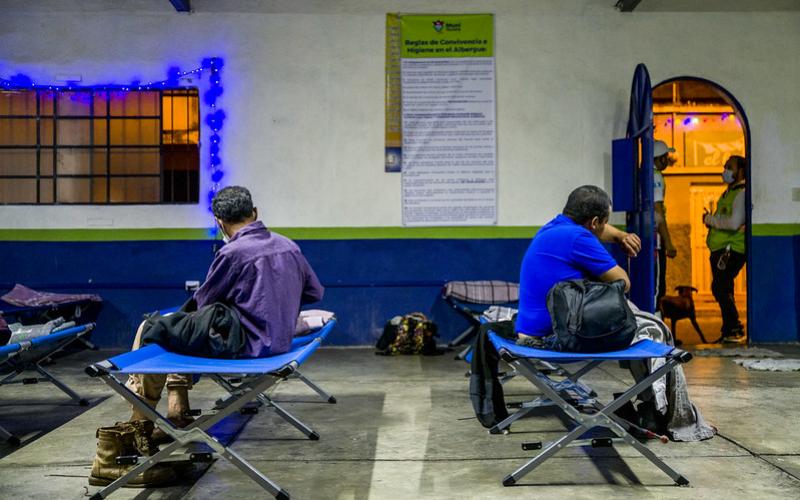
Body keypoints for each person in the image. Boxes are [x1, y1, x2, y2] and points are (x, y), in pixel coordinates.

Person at [89, 186, 324, 487]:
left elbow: (204, 302)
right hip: (279, 343)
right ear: (255, 213)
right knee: (181, 331)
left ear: (219, 221)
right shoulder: (288, 246)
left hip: (245, 346)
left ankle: (133, 433)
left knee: (152, 329)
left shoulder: (232, 252)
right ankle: (176, 414)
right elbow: (315, 292)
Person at [516, 185, 641, 347]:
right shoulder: (578, 238)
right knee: (650, 327)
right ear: (595, 222)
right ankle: (661, 372)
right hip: (553, 337)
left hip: (528, 331)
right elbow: (623, 283)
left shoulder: (553, 227)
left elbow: (598, 229)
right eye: (604, 222)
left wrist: (621, 236)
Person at [704, 155, 747, 343]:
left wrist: (709, 220)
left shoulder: (741, 193)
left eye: (730, 167)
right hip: (722, 249)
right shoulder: (730, 192)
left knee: (721, 287)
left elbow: (734, 223)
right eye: (725, 166)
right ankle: (729, 329)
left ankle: (734, 328)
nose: (725, 170)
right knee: (722, 287)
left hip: (731, 249)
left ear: (741, 171)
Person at [653, 140, 677, 310]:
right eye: (666, 157)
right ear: (660, 159)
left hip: (646, 237)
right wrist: (668, 242)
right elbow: (658, 210)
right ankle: (655, 325)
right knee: (657, 287)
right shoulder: (656, 177)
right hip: (655, 240)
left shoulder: (644, 174)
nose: (668, 161)